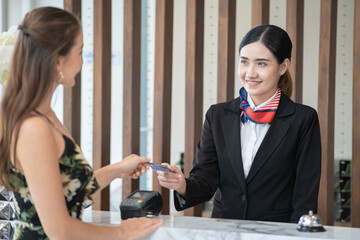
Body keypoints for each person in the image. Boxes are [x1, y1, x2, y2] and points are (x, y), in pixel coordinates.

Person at [0, 7, 162, 239]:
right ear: (58, 60)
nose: (82, 61)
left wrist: (119, 169)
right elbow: (60, 230)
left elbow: (72, 191)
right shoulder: (34, 128)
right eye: (80, 51)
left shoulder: (46, 116)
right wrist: (122, 232)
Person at [157, 24, 321, 223]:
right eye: (244, 62)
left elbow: (305, 196)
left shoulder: (303, 119)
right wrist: (182, 184)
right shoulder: (217, 115)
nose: (250, 73)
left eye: (261, 64)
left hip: (276, 233)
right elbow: (206, 180)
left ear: (283, 67)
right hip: (224, 230)